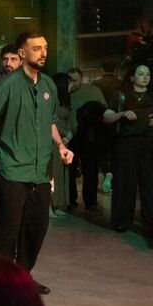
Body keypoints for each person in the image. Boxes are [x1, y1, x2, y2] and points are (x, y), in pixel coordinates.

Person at [0, 32, 73, 295]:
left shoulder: (48, 85)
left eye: (45, 47)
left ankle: (22, 275)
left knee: (37, 226)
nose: (43, 52)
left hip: (40, 171)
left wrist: (60, 146)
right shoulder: (7, 86)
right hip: (12, 169)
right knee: (9, 228)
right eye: (36, 48)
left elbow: (51, 121)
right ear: (22, 53)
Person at [103, 64, 153, 237]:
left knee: (149, 186)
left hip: (148, 144)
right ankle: (121, 221)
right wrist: (122, 114)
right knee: (125, 183)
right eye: (141, 74)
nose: (145, 77)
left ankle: (151, 225)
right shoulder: (121, 95)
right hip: (126, 144)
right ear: (132, 77)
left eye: (148, 74)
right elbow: (106, 117)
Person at [65, 67, 106, 211]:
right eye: (70, 80)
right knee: (69, 170)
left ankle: (90, 201)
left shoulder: (93, 91)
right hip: (70, 137)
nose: (73, 83)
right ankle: (70, 199)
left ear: (81, 79)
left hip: (89, 136)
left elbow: (103, 110)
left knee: (90, 169)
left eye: (75, 80)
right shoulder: (64, 93)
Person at [93, 61, 122, 194]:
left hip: (101, 122)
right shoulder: (120, 84)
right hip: (118, 121)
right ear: (114, 70)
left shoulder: (97, 84)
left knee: (103, 150)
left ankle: (106, 172)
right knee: (116, 150)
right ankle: (114, 175)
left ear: (102, 70)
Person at [50, 73, 72, 217]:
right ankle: (51, 205)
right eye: (69, 82)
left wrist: (69, 134)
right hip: (54, 140)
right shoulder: (53, 99)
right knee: (54, 172)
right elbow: (53, 122)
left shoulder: (66, 99)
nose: (72, 85)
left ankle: (58, 204)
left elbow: (69, 119)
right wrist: (65, 134)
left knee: (62, 173)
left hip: (64, 139)